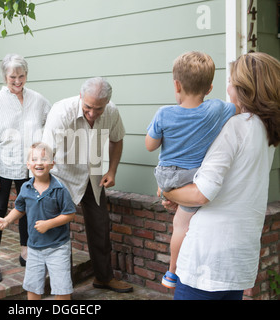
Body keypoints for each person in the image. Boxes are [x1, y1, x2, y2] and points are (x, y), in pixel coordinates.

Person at [162, 52, 280, 300]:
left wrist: (168, 190)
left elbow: (201, 194)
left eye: (232, 82)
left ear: (245, 88)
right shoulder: (267, 131)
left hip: (207, 261)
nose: (228, 88)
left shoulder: (236, 127)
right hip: (239, 259)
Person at [145, 51, 237, 289]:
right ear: (209, 88)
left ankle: (172, 271)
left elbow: (150, 145)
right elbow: (237, 108)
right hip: (194, 177)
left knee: (178, 222)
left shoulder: (164, 113)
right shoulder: (217, 109)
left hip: (167, 175)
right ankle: (172, 272)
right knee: (183, 222)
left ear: (176, 85)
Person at [42, 77, 133, 293]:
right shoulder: (61, 111)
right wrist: (42, 189)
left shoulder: (111, 111)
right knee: (60, 235)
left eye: (98, 109)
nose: (92, 113)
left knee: (101, 229)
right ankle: (63, 288)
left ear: (107, 102)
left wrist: (112, 170)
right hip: (62, 178)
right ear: (81, 96)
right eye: (88, 107)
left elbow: (117, 139)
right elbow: (45, 152)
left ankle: (104, 278)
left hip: (93, 177)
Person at [0, 54, 51, 282]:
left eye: (21, 76)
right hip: (2, 166)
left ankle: (25, 251)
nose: (17, 81)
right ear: (5, 77)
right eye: (13, 77)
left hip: (29, 168)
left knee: (27, 209)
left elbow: (52, 124)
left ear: (26, 75)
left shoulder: (38, 100)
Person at [0, 142, 76, 300]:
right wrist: (6, 220)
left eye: (44, 159)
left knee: (62, 287)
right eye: (35, 158)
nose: (39, 162)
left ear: (52, 164)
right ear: (28, 164)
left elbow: (70, 214)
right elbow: (20, 208)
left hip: (57, 247)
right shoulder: (26, 188)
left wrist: (49, 224)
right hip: (34, 248)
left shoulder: (59, 189)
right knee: (33, 286)